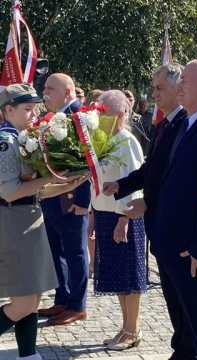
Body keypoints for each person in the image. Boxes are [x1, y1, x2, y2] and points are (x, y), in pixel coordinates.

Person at [103, 63, 197, 359]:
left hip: (180, 231)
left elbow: (179, 181)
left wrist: (144, 201)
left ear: (179, 89)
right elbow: (151, 170)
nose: (152, 94)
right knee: (174, 301)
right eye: (153, 87)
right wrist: (120, 185)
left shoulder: (186, 124)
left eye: (159, 88)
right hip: (163, 230)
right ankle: (181, 350)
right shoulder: (165, 124)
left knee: (188, 306)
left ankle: (188, 351)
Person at [0, 84, 81, 360]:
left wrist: (68, 182)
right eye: (26, 108)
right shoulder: (6, 140)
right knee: (23, 301)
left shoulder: (22, 138)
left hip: (27, 218)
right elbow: (9, 191)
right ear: (8, 110)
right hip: (13, 223)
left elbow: (35, 191)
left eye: (34, 107)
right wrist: (50, 179)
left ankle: (28, 353)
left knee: (32, 297)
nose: (33, 113)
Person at [87, 90, 147, 350]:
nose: (102, 118)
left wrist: (124, 218)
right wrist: (92, 212)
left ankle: (132, 330)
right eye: (99, 113)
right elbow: (97, 180)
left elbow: (134, 183)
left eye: (107, 113)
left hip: (123, 215)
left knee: (129, 274)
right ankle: (126, 327)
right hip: (104, 212)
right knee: (118, 276)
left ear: (122, 114)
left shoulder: (127, 141)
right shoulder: (101, 140)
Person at [38, 73, 91, 326]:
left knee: (75, 253)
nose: (45, 92)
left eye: (51, 88)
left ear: (68, 92)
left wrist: (83, 201)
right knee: (56, 251)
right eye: (45, 88)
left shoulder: (79, 117)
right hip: (52, 197)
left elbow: (87, 161)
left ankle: (77, 305)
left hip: (71, 199)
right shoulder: (52, 117)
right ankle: (63, 298)